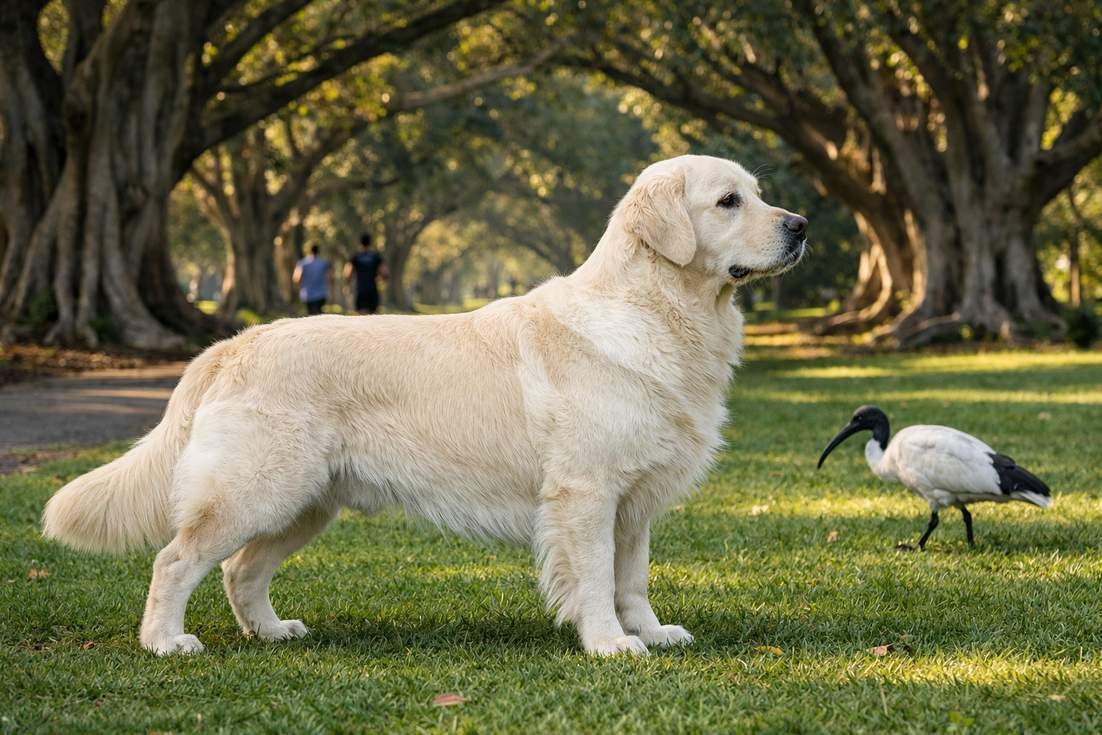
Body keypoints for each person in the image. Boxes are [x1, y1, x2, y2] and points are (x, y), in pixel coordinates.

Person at [343, 232, 389, 314]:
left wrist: (347, 284)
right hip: (372, 289)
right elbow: (385, 273)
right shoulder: (376, 256)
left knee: (361, 317)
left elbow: (348, 273)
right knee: (373, 316)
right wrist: (382, 279)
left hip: (360, 290)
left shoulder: (356, 256)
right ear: (370, 243)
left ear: (360, 243)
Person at [293, 245, 331, 315]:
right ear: (318, 251)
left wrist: (300, 287)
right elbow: (328, 277)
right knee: (319, 314)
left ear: (309, 251)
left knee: (311, 315)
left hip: (307, 294)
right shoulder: (323, 263)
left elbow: (296, 278)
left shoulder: (302, 263)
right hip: (321, 294)